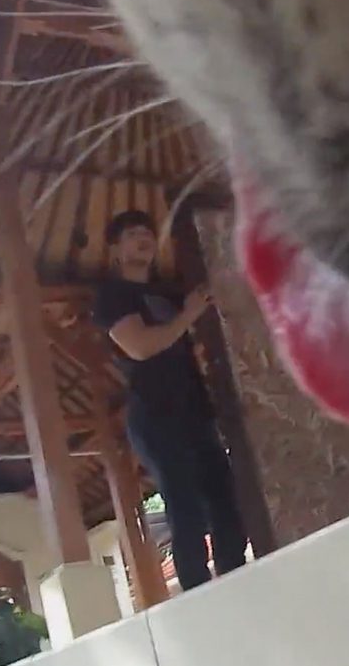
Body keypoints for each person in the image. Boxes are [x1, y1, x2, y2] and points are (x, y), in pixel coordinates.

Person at [93, 210, 249, 590]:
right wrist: (187, 315)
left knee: (228, 503)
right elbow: (141, 346)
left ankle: (238, 583)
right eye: (132, 234)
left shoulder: (168, 292)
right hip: (155, 416)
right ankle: (196, 593)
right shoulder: (112, 296)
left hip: (195, 411)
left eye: (148, 233)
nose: (143, 239)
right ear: (115, 248)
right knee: (185, 509)